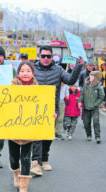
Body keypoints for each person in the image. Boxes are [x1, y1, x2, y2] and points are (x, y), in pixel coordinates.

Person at [0, 61, 41, 192]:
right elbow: (0, 106)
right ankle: (16, 173)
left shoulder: (40, 90)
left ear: (32, 73)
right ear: (18, 73)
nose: (25, 73)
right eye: (22, 71)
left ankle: (23, 188)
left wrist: (51, 116)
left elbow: (44, 108)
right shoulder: (9, 88)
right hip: (13, 130)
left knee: (26, 159)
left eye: (28, 71)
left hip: (29, 130)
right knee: (14, 159)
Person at [30, 46, 83, 176]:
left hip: (52, 109)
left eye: (48, 56)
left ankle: (44, 160)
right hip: (34, 109)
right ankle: (35, 163)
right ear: (39, 56)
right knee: (37, 136)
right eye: (43, 56)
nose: (46, 59)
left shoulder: (58, 69)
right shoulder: (32, 69)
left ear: (52, 56)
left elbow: (70, 80)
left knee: (48, 136)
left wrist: (78, 66)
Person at [78, 71, 104, 143]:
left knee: (96, 122)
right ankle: (88, 135)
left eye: (92, 76)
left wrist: (96, 104)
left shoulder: (98, 87)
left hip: (94, 108)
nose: (91, 77)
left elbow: (101, 96)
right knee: (86, 123)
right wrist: (80, 101)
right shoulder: (86, 85)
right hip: (86, 107)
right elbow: (82, 94)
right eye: (90, 76)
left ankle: (97, 137)